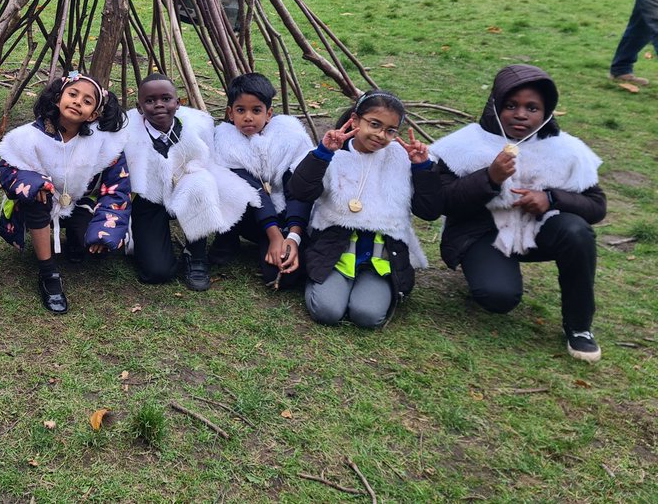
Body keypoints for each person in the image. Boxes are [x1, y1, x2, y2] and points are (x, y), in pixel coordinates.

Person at [420, 64, 605, 362]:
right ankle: (486, 270)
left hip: (539, 230)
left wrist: (551, 198)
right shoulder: (465, 144)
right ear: (495, 106)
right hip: (481, 233)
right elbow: (441, 202)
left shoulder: (566, 149)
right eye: (511, 106)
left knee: (577, 232)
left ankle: (579, 326)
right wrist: (489, 178)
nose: (521, 115)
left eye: (532, 108)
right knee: (498, 297)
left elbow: (596, 206)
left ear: (547, 112)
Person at [287, 90, 431, 329]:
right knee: (327, 311)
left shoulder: (402, 159)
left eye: (390, 130)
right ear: (355, 120)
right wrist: (322, 154)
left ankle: (370, 288)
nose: (381, 135)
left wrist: (423, 169)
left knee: (367, 315)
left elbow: (429, 210)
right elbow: (300, 191)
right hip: (336, 251)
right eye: (374, 124)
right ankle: (328, 283)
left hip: (380, 257)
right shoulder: (334, 152)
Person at [0, 71, 130, 314]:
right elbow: (6, 167)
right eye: (73, 94)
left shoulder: (104, 143)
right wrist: (33, 182)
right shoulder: (29, 136)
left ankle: (77, 241)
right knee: (37, 195)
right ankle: (48, 272)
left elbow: (117, 188)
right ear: (58, 98)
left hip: (77, 203)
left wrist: (106, 228)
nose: (78, 102)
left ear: (94, 114)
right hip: (38, 204)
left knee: (90, 244)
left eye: (87, 101)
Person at [122, 73, 256, 290]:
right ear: (139, 107)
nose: (159, 105)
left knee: (201, 181)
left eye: (166, 99)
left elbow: (210, 164)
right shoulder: (129, 134)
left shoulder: (197, 128)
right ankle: (142, 238)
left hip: (187, 191)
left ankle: (195, 252)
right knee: (157, 272)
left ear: (178, 103)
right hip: (150, 199)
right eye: (150, 101)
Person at [210, 72, 315, 288]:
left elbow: (298, 190)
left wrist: (292, 236)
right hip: (253, 217)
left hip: (287, 214)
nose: (248, 117)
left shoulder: (291, 138)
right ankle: (228, 239)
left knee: (288, 276)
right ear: (230, 113)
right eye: (241, 110)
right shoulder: (225, 142)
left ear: (269, 114)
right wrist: (274, 237)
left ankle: (292, 239)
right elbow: (253, 191)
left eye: (256, 110)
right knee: (226, 186)